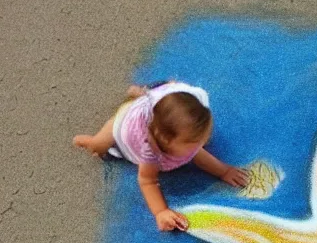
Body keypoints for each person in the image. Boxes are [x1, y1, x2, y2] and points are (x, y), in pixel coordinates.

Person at [73, 81, 249, 231]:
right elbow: (147, 181)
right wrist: (161, 212)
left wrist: (224, 171)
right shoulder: (149, 152)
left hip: (160, 99)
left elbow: (197, 154)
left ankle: (141, 93)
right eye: (194, 142)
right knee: (102, 143)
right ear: (167, 141)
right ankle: (92, 140)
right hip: (127, 119)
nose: (201, 144)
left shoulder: (177, 126)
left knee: (162, 97)